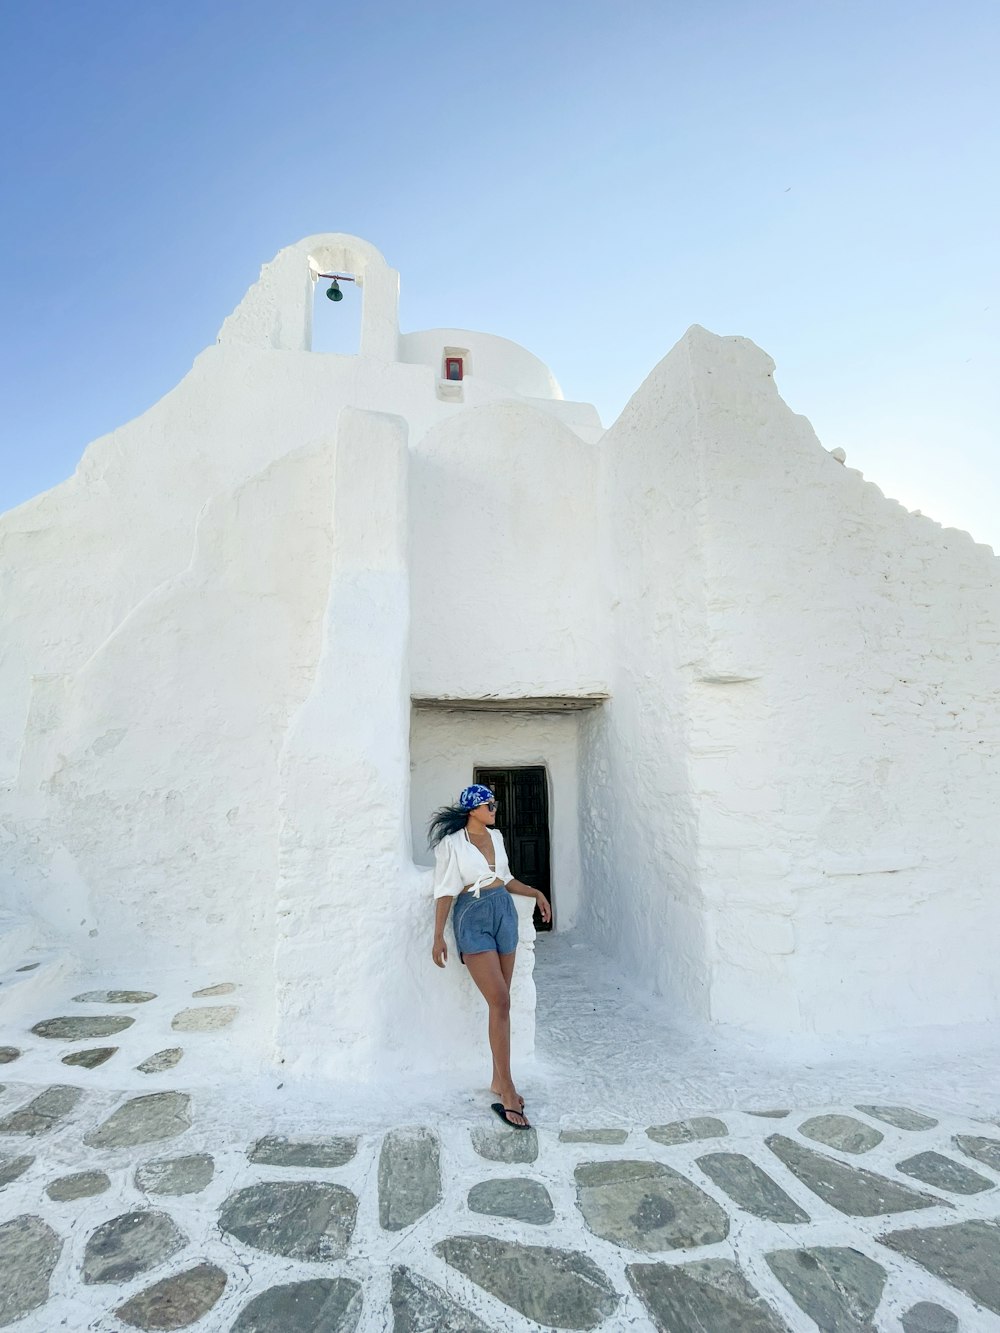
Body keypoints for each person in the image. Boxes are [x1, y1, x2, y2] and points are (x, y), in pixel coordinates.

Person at [430, 784, 551, 1129]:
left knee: (503, 1004)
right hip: (473, 915)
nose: (495, 808)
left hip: (504, 912)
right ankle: (508, 1089)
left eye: (494, 803)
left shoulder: (496, 837)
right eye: (489, 804)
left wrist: (536, 892)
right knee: (498, 1000)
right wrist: (438, 935)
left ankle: (498, 1080)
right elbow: (445, 890)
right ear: (472, 809)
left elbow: (507, 878)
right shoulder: (452, 844)